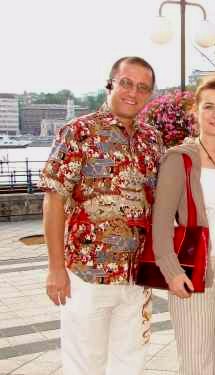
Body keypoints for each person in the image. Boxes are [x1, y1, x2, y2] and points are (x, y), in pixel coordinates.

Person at [39, 56, 163, 375]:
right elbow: (54, 200)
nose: (133, 92)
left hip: (136, 275)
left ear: (150, 94)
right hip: (86, 274)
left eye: (142, 87)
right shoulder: (78, 132)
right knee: (85, 365)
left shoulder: (153, 140)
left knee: (130, 362)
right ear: (110, 84)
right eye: (126, 83)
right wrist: (55, 269)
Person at [152, 76, 215, 374]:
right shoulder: (179, 159)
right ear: (195, 112)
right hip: (195, 269)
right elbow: (160, 222)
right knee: (197, 360)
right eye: (209, 107)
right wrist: (171, 271)